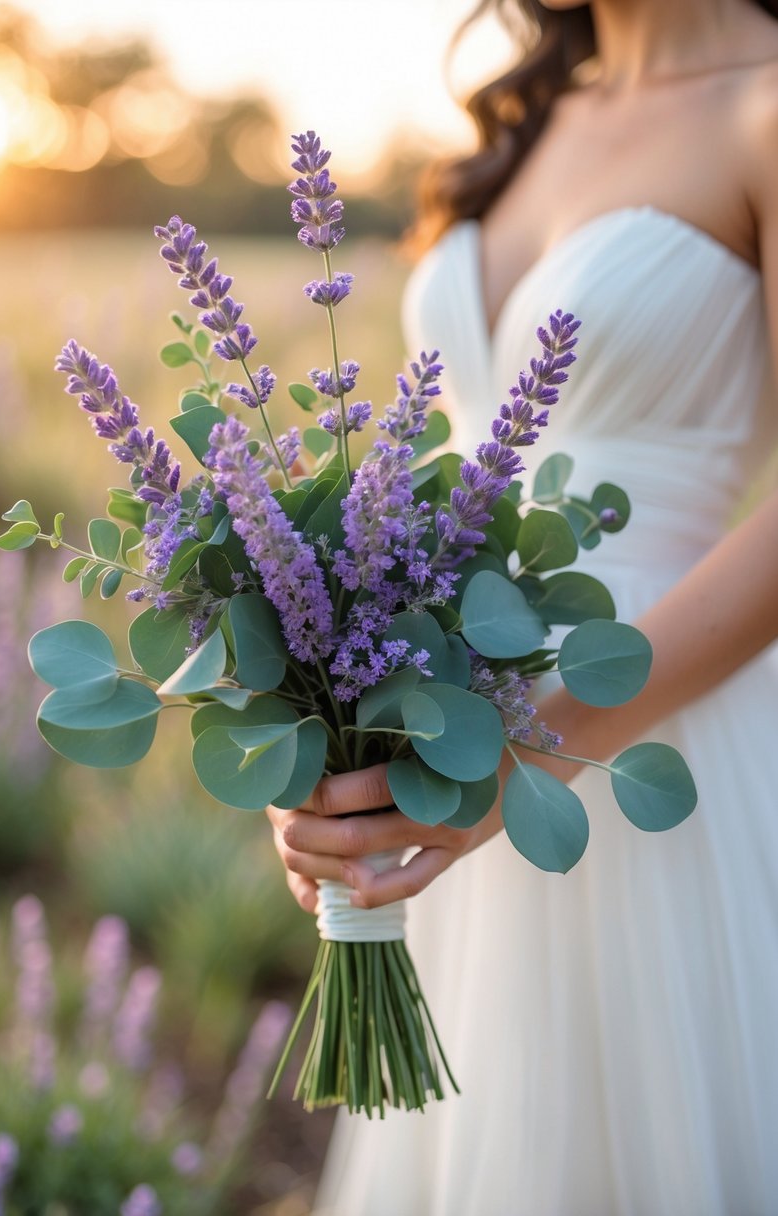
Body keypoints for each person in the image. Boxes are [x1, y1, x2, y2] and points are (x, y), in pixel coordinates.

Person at [267, 1, 778, 1211]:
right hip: (452, 723)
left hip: (661, 724)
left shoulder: (764, 103)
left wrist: (535, 748)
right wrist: (326, 729)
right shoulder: (536, 113)